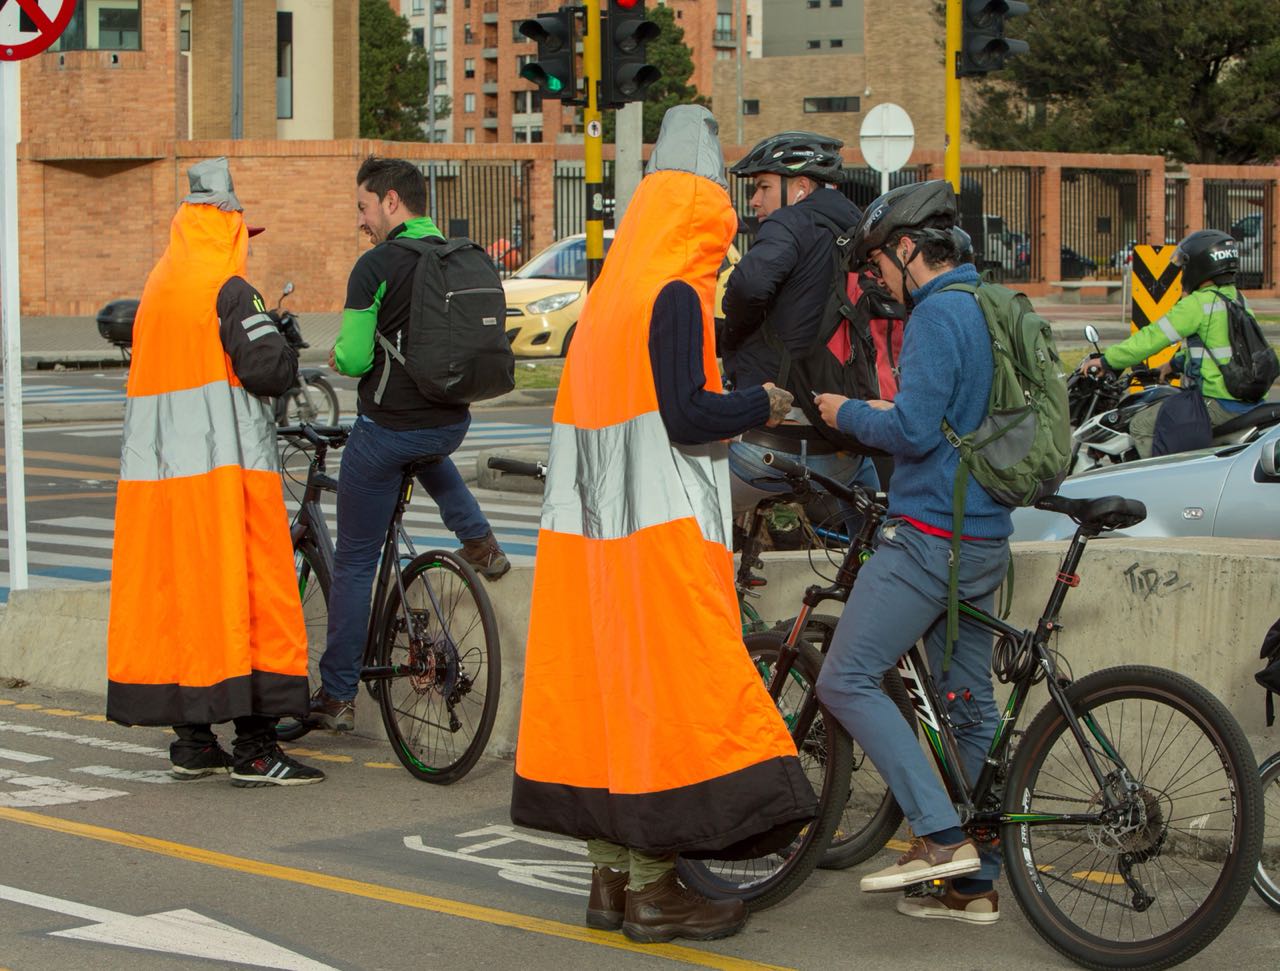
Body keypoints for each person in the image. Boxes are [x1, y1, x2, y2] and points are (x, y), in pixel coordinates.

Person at [510, 106, 815, 944]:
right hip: (661, 543)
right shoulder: (674, 294)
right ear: (701, 211)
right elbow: (688, 414)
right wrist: (763, 401)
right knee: (667, 707)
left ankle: (608, 883)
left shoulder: (608, 299)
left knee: (608, 705)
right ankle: (656, 891)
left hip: (591, 545)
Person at [812, 180, 1012, 922]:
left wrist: (849, 412)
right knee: (966, 704)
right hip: (986, 535)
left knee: (845, 677)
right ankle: (975, 883)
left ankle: (939, 833)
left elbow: (917, 431)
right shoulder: (990, 306)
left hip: (929, 536)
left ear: (905, 250)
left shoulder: (937, 314)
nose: (876, 281)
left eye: (878, 265)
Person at [106, 157, 324, 788]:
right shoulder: (232, 292)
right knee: (245, 600)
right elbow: (269, 372)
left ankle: (194, 742)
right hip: (227, 481)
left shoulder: (159, 291)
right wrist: (280, 340)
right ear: (227, 230)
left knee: (187, 605)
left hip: (161, 488)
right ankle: (257, 748)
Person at [311, 156, 510, 731]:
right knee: (425, 448)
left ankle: (337, 693)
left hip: (389, 427)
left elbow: (351, 357)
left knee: (353, 562)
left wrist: (343, 358)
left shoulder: (375, 265)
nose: (361, 221)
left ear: (391, 202)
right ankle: (479, 541)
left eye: (364, 207)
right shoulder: (458, 256)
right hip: (450, 421)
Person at [719, 131, 879, 533]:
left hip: (771, 449)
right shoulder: (862, 230)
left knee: (685, 506)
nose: (755, 200)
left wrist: (737, 331)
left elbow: (749, 286)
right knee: (868, 540)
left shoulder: (789, 222)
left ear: (801, 188)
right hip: (844, 449)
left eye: (764, 186)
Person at [1077, 229, 1261, 458]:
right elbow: (1222, 350)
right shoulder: (1237, 299)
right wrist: (1174, 364)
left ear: (1200, 266)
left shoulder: (1197, 304)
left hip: (1217, 401)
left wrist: (1107, 360)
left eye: (1186, 264)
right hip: (1245, 399)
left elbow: (1151, 339)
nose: (1183, 271)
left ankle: (1157, 485)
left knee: (1141, 424)